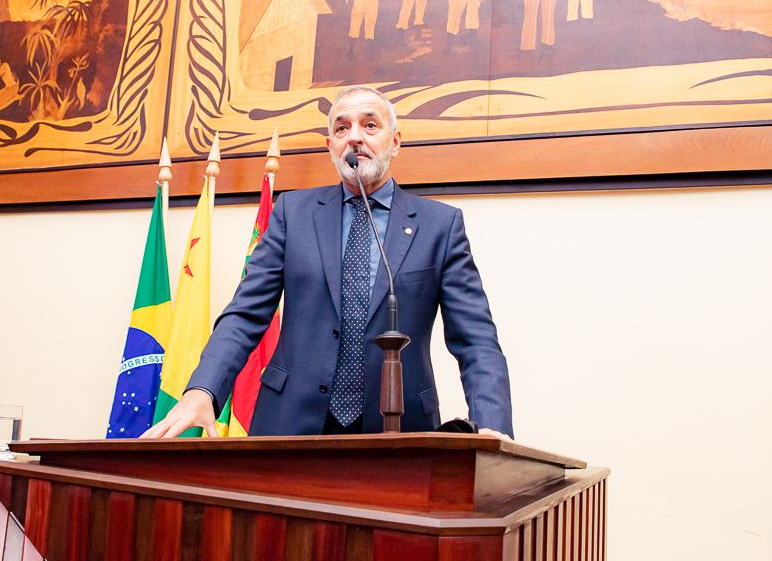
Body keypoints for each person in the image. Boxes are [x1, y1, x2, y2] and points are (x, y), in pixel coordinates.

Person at [142, 85, 513, 440]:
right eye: (341, 128)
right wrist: (203, 389)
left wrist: (493, 426)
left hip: (401, 431)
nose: (354, 136)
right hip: (287, 423)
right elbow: (245, 314)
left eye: (370, 125)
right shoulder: (293, 212)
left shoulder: (439, 226)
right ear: (331, 146)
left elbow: (476, 339)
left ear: (395, 141)